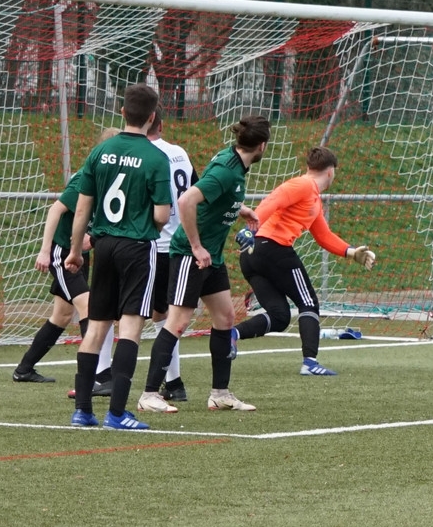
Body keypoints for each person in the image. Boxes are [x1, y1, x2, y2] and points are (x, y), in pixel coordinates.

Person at [137, 114, 270, 414]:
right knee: (178, 322)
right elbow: (186, 201)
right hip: (191, 254)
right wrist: (196, 247)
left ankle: (220, 394)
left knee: (225, 317)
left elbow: (212, 194)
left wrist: (240, 208)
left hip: (212, 256)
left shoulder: (232, 160)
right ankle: (149, 394)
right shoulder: (227, 170)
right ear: (262, 145)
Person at [65, 84, 171, 429]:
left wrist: (75, 250)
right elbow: (161, 215)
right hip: (137, 248)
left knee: (97, 327)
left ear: (123, 112)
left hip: (104, 245)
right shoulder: (156, 157)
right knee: (130, 327)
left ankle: (83, 411)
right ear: (152, 117)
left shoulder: (101, 151)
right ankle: (117, 413)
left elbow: (82, 209)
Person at [232, 146, 376, 376]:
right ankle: (310, 362)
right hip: (272, 248)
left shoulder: (313, 198)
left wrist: (351, 252)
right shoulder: (304, 185)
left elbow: (323, 236)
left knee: (279, 316)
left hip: (252, 255)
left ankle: (232, 335)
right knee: (308, 302)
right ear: (330, 171)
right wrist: (251, 227)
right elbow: (273, 200)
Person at [12, 127, 119, 394]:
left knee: (61, 315)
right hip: (63, 253)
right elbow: (56, 209)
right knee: (90, 307)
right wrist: (45, 251)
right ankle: (96, 375)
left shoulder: (113, 179)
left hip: (81, 254)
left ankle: (24, 369)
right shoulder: (86, 177)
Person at [145, 108, 198, 403]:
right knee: (167, 315)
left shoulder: (144, 156)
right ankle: (174, 382)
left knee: (147, 316)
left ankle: (104, 376)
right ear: (161, 125)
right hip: (182, 244)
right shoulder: (180, 152)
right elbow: (195, 191)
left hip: (155, 245)